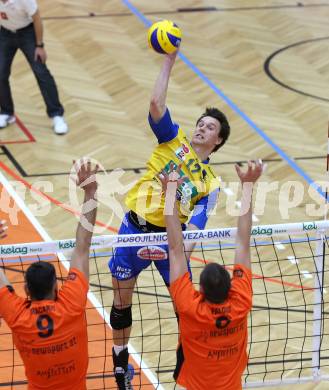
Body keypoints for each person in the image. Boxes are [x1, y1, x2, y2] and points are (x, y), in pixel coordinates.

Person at [109, 50, 230, 389]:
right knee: (121, 302)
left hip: (169, 242)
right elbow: (155, 104)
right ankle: (120, 367)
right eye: (201, 123)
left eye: (210, 128)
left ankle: (185, 365)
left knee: (186, 309)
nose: (202, 129)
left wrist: (179, 255)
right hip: (133, 231)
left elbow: (195, 228)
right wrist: (169, 60)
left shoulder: (211, 183)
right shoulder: (172, 139)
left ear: (218, 141)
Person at [160, 160, 264, 390]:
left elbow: (176, 249)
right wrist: (247, 186)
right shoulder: (241, 301)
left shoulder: (190, 306)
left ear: (202, 291)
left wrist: (170, 193)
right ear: (231, 287)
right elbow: (243, 244)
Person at [0, 159, 98, 389]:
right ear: (56, 287)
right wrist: (91, 191)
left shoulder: (17, 316)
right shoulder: (71, 303)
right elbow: (82, 244)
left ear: (26, 290)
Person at [0, 0, 68, 134]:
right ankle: (7, 113)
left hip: (27, 34)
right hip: (5, 35)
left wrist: (39, 46)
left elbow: (37, 18)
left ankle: (57, 115)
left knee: (41, 72)